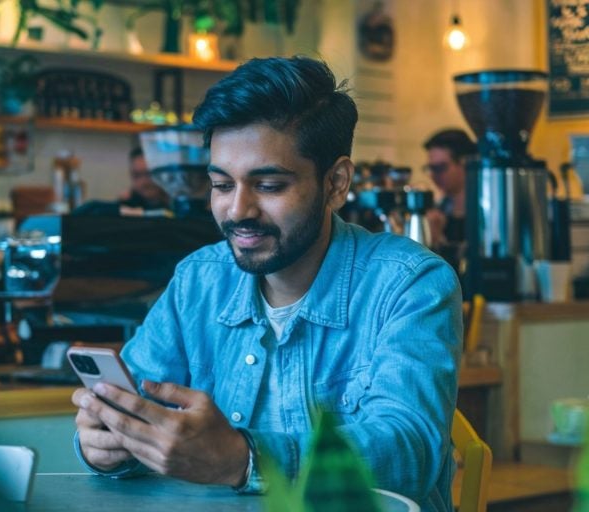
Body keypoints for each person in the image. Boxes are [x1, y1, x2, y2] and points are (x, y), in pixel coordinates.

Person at [72, 56, 461, 512]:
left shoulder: (410, 284)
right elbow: (131, 406)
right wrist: (107, 447)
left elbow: (408, 452)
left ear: (335, 183)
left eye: (269, 185)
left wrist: (244, 459)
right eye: (221, 185)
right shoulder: (199, 280)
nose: (238, 211)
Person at [422, 128, 477, 248]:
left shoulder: (484, 210)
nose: (433, 175)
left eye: (440, 168)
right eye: (430, 168)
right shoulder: (440, 208)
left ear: (464, 164)